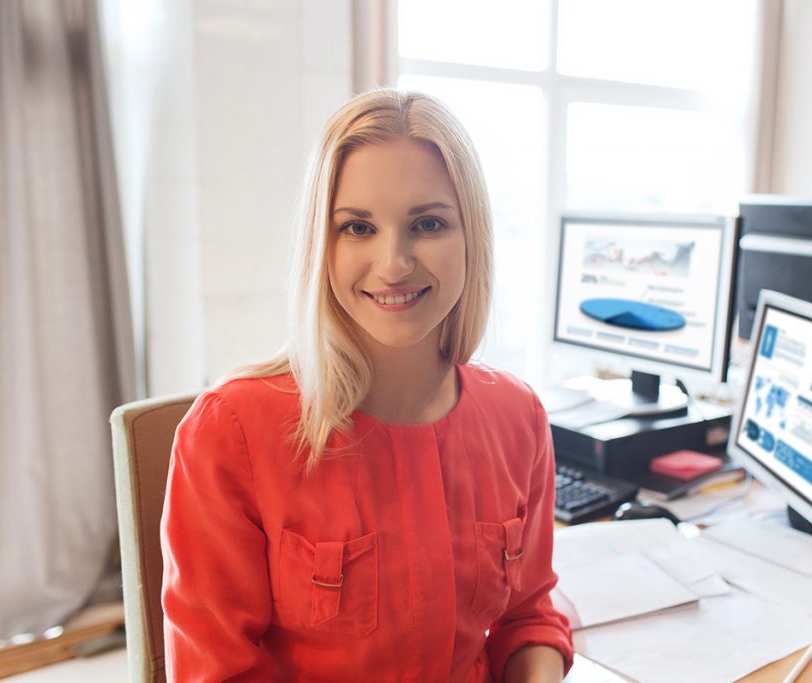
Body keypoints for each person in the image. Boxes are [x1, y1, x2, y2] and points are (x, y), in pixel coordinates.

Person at [160, 89, 574, 682]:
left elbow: (528, 616)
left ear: (472, 237)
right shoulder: (229, 433)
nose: (393, 263)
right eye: (357, 227)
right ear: (320, 246)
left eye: (427, 223)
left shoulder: (520, 416)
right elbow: (217, 671)